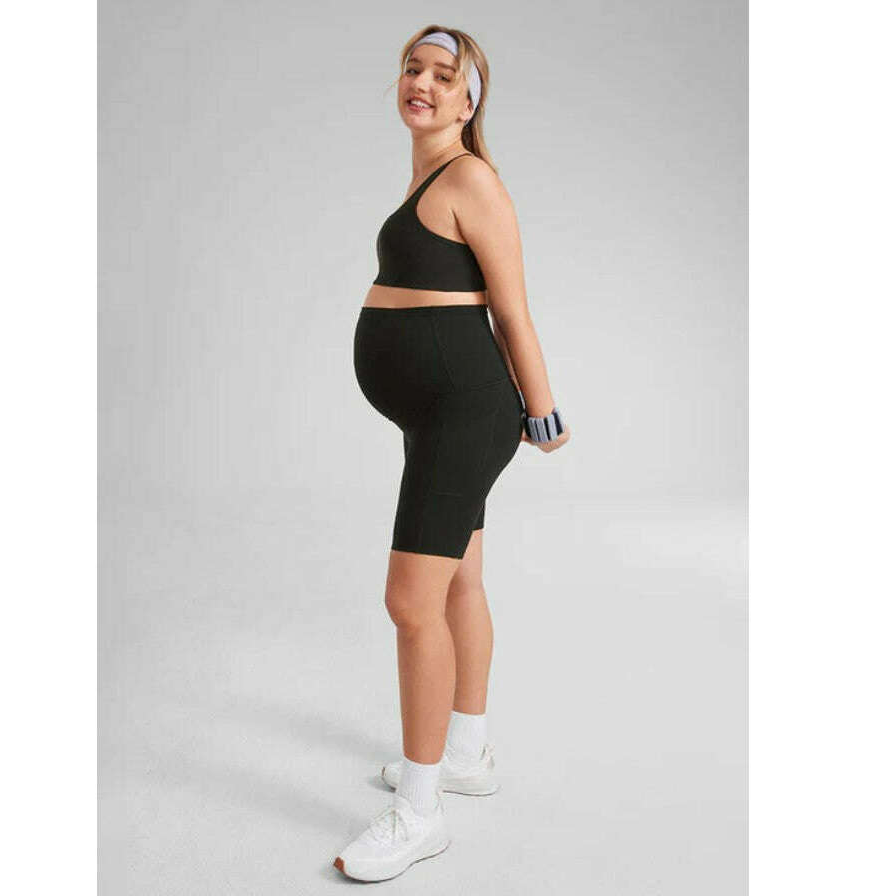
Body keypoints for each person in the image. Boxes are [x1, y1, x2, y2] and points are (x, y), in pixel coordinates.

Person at [334, 25, 570, 882]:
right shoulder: (429, 177)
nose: (424, 84)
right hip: (437, 414)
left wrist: (541, 410)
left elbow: (513, 309)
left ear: (470, 102)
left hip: (463, 416)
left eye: (444, 75)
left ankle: (420, 812)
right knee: (461, 581)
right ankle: (465, 753)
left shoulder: (471, 179)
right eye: (413, 68)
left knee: (410, 603)